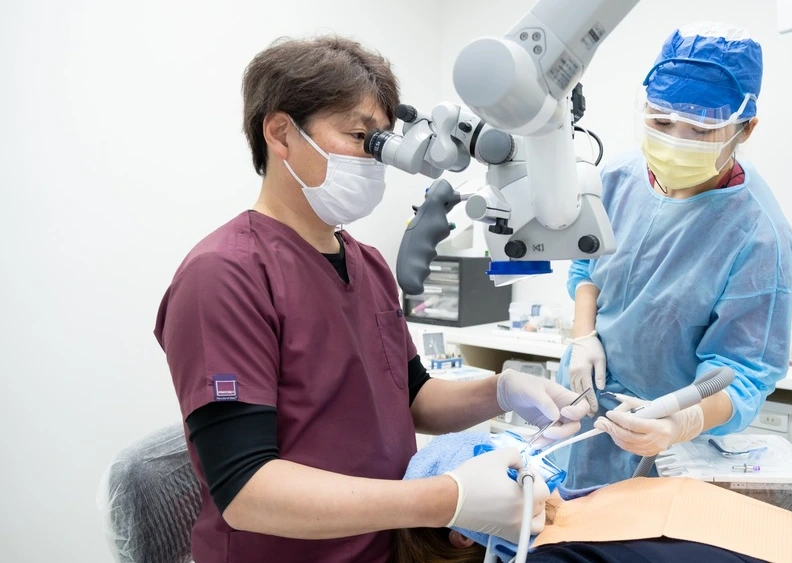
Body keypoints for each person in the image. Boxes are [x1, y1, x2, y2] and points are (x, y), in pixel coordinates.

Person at [153, 36, 588, 563]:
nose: (376, 159)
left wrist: (503, 390)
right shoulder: (225, 275)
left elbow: (410, 399)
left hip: (388, 548)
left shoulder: (368, 263)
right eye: (360, 136)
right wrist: (446, 498)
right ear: (280, 133)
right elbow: (246, 493)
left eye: (382, 141)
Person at [559, 22, 792, 488]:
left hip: (669, 448)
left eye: (701, 129)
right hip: (580, 408)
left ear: (745, 128)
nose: (675, 141)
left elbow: (742, 375)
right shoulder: (616, 178)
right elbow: (585, 263)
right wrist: (583, 335)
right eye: (662, 122)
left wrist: (677, 424)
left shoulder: (761, 238)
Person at [395, 432, 792, 563]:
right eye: (495, 460)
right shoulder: (558, 555)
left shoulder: (590, 501)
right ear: (463, 533)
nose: (518, 456)